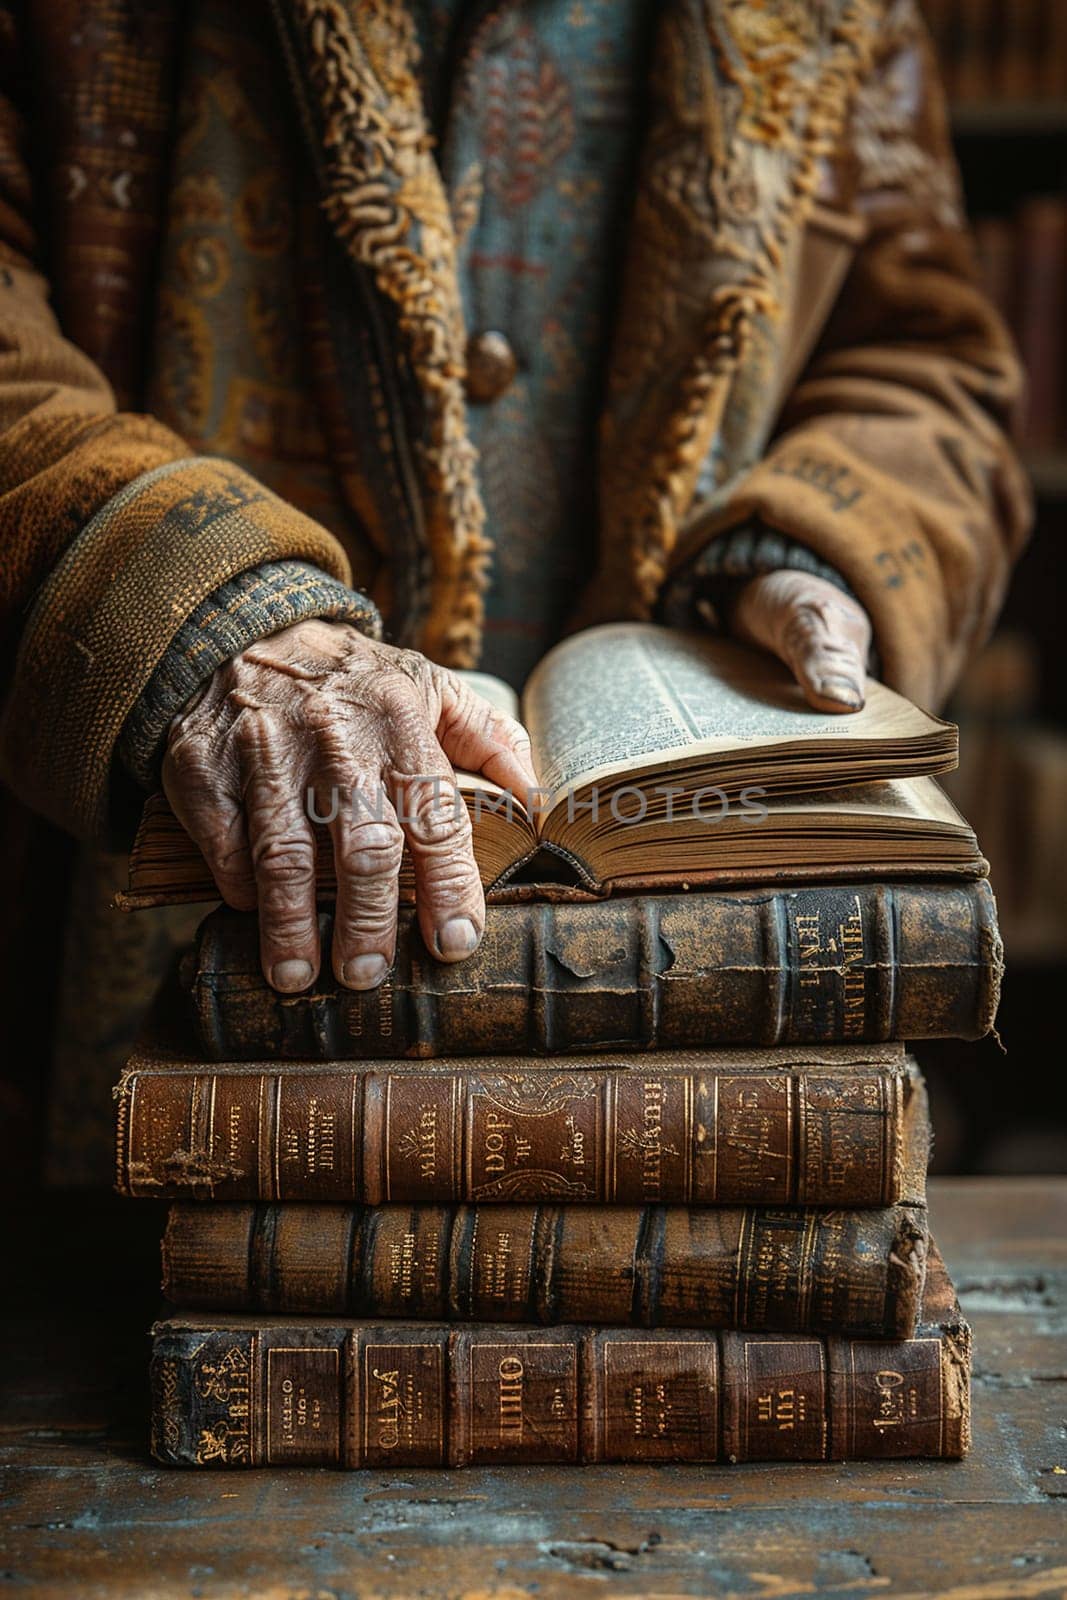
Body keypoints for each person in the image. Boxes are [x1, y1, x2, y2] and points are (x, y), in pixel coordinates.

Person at [0, 0, 1031, 1014]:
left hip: (691, 874)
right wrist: (203, 622)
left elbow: (919, 355)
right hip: (90, 891)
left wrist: (805, 541)